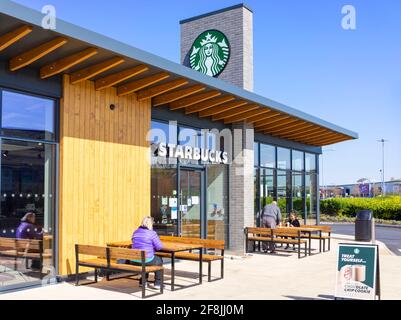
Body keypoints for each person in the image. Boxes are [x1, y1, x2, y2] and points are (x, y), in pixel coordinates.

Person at [130, 216, 164, 289]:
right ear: (150, 224)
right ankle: (158, 283)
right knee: (159, 260)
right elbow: (159, 247)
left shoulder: (135, 232)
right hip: (145, 259)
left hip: (134, 260)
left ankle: (143, 282)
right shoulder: (152, 233)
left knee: (146, 259)